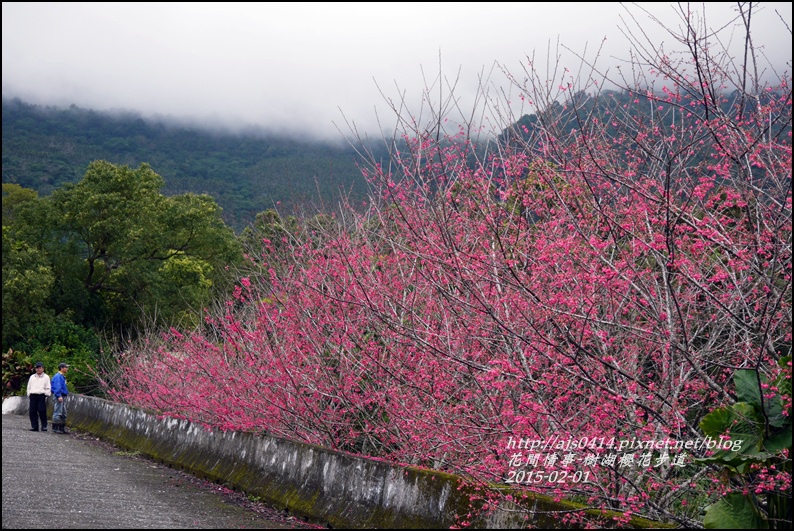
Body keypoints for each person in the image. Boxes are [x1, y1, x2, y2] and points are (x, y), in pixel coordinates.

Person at [26, 362, 51, 431]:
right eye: (37, 368)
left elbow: (48, 387)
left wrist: (46, 394)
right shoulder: (32, 377)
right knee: (32, 411)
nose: (39, 369)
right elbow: (29, 386)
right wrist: (29, 393)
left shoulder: (46, 377)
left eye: (40, 368)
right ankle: (34, 426)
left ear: (43, 368)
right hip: (33, 395)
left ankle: (44, 426)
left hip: (41, 395)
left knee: (41, 410)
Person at [51, 362, 70, 434]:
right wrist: (59, 395)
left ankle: (61, 428)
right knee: (58, 412)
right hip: (60, 395)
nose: (67, 369)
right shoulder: (58, 376)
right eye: (66, 367)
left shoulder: (61, 376)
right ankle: (56, 428)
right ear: (62, 368)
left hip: (62, 395)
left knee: (63, 413)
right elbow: (57, 387)